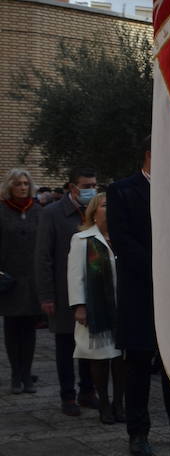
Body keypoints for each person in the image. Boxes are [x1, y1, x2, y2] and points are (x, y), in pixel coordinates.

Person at [106, 139, 170, 456]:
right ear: (150, 154)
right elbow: (122, 240)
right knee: (137, 367)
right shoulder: (121, 190)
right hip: (141, 293)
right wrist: (160, 271)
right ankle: (138, 432)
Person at [35, 167, 99, 415]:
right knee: (65, 345)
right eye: (86, 186)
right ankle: (67, 395)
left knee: (88, 345)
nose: (91, 189)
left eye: (94, 184)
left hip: (91, 290)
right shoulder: (52, 214)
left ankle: (87, 391)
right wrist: (47, 295)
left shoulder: (94, 212)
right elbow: (43, 257)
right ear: (72, 188)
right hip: (63, 293)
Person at [67, 191, 125, 424]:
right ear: (93, 211)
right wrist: (79, 306)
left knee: (121, 358)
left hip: (122, 308)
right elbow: (75, 276)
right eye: (104, 205)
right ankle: (103, 403)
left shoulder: (123, 236)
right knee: (100, 357)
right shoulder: (82, 239)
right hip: (95, 310)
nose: (109, 209)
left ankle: (119, 403)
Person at [0, 169, 42, 394]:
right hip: (9, 281)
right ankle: (16, 374)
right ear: (10, 186)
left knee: (29, 329)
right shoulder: (2, 211)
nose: (23, 187)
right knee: (12, 328)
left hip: (32, 280)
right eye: (18, 184)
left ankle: (27, 373)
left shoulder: (37, 211)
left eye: (26, 183)